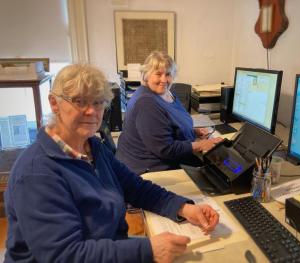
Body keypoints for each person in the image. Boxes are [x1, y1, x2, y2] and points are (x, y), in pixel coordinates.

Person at [4, 64, 219, 263]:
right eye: (80, 101)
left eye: (98, 102)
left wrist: (184, 207)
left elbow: (136, 187)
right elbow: (65, 255)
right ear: (54, 103)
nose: (91, 111)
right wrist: (148, 249)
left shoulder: (92, 147)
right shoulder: (36, 173)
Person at [117, 51, 222, 174]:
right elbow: (165, 149)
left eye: (168, 74)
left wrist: (192, 131)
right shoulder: (146, 103)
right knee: (214, 173)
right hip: (149, 168)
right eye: (158, 74)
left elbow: (166, 126)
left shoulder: (166, 93)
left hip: (162, 158)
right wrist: (201, 145)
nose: (164, 79)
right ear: (146, 75)